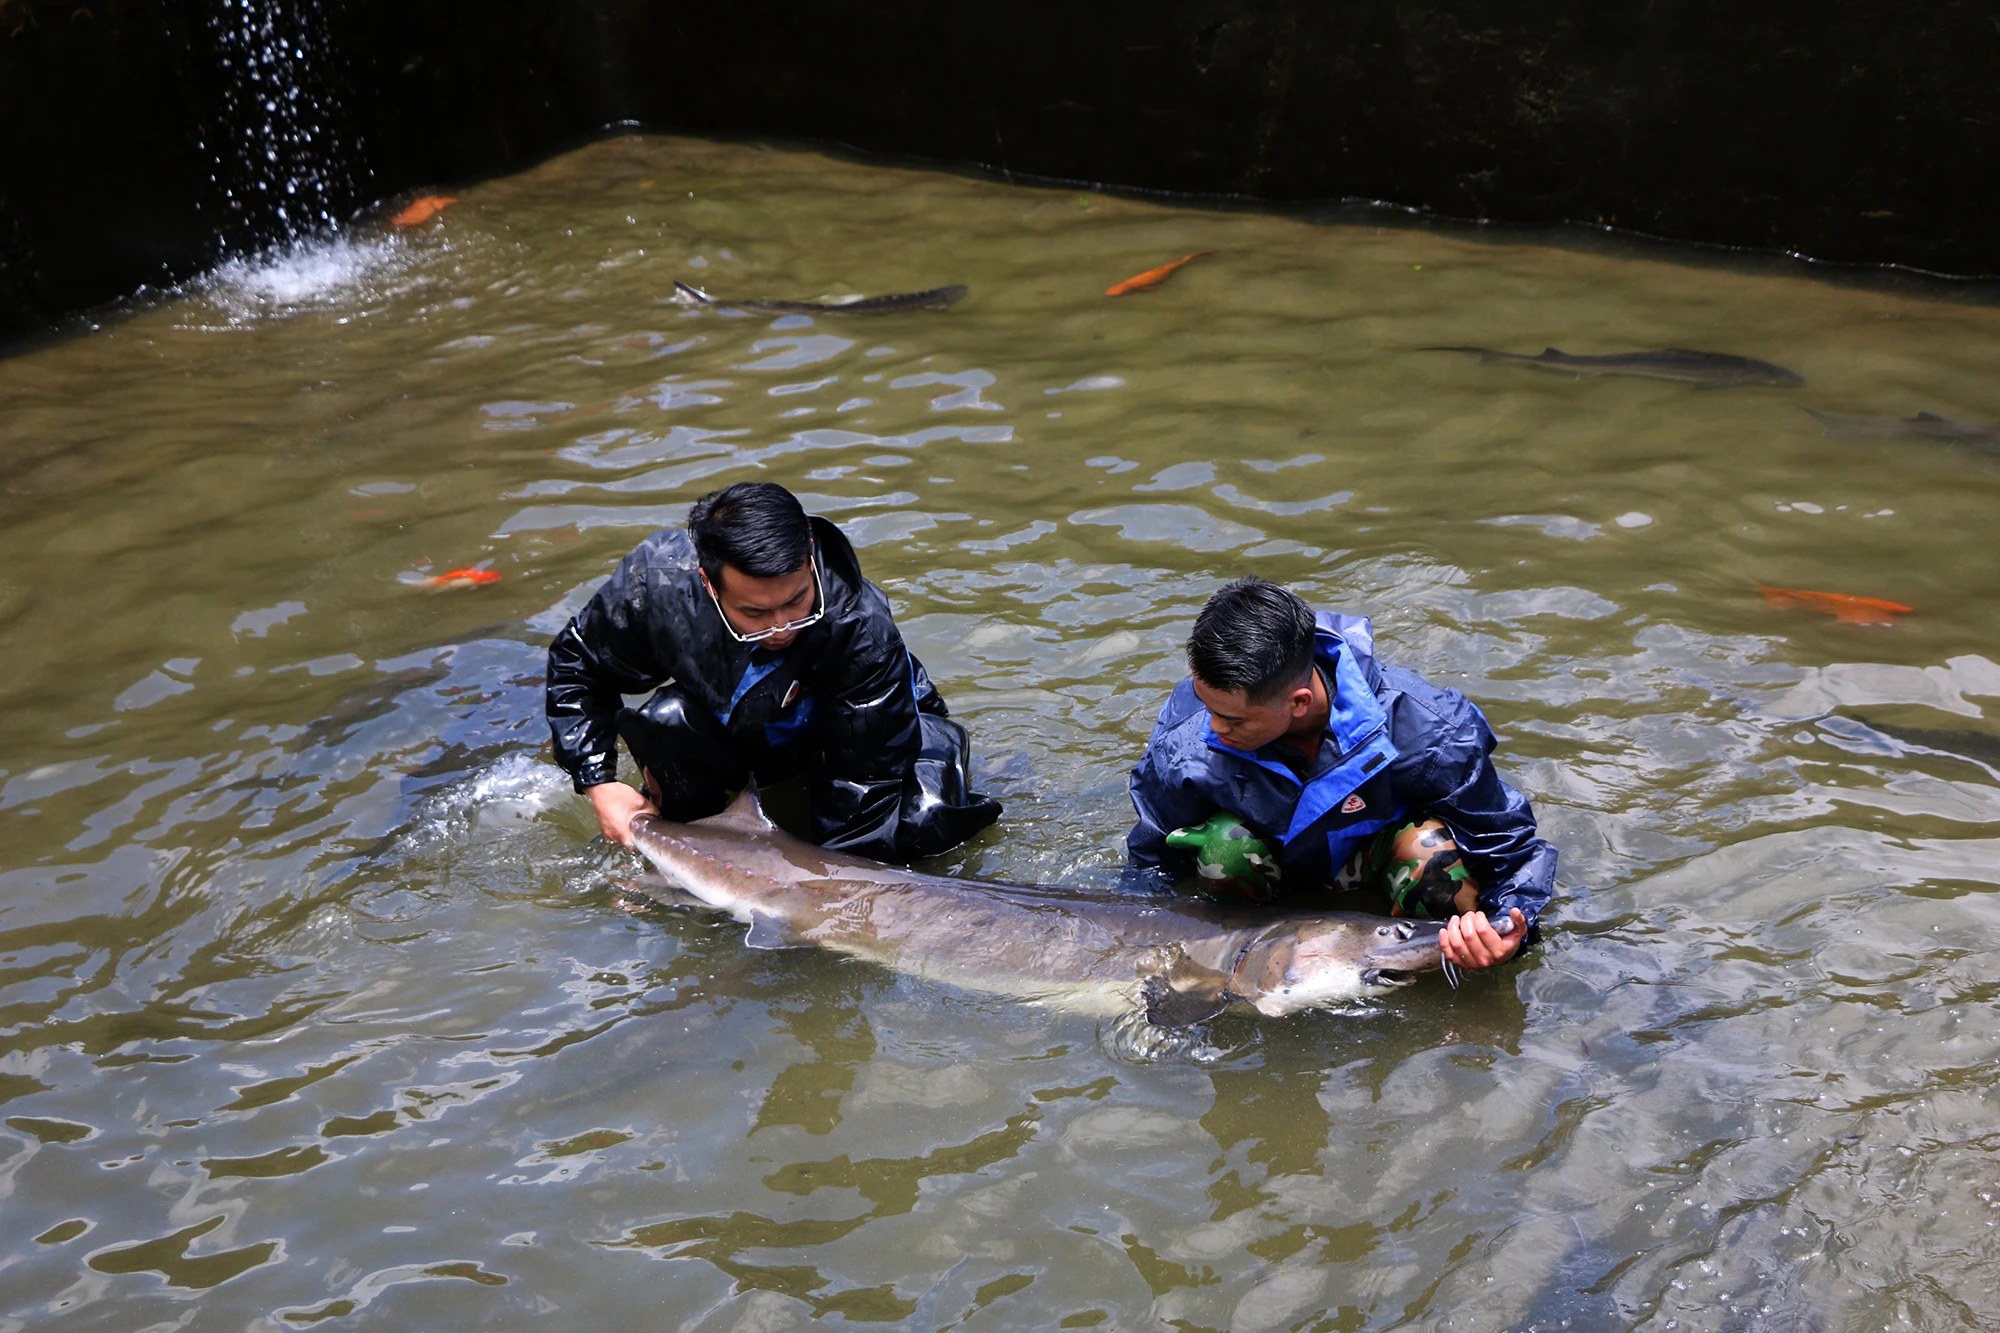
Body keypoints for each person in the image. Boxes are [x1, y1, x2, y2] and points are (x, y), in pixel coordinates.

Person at [546, 481, 1000, 859]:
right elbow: (577, 665)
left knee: (922, 824)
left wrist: (828, 893)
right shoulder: (657, 584)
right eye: (755, 612)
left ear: (809, 554)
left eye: (796, 601)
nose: (782, 626)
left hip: (873, 731)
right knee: (664, 721)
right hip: (754, 726)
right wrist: (597, 782)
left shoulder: (861, 627)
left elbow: (867, 787)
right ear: (709, 584)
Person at [1127, 576, 1556, 969]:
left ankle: (1421, 969)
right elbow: (1152, 864)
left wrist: (1507, 934)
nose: (1213, 728)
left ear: (1298, 702)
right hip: (1267, 872)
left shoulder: (1428, 730)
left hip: (1375, 868)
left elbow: (1510, 852)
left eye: (1233, 720)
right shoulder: (1186, 739)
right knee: (1225, 846)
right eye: (1206, 706)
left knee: (1430, 850)